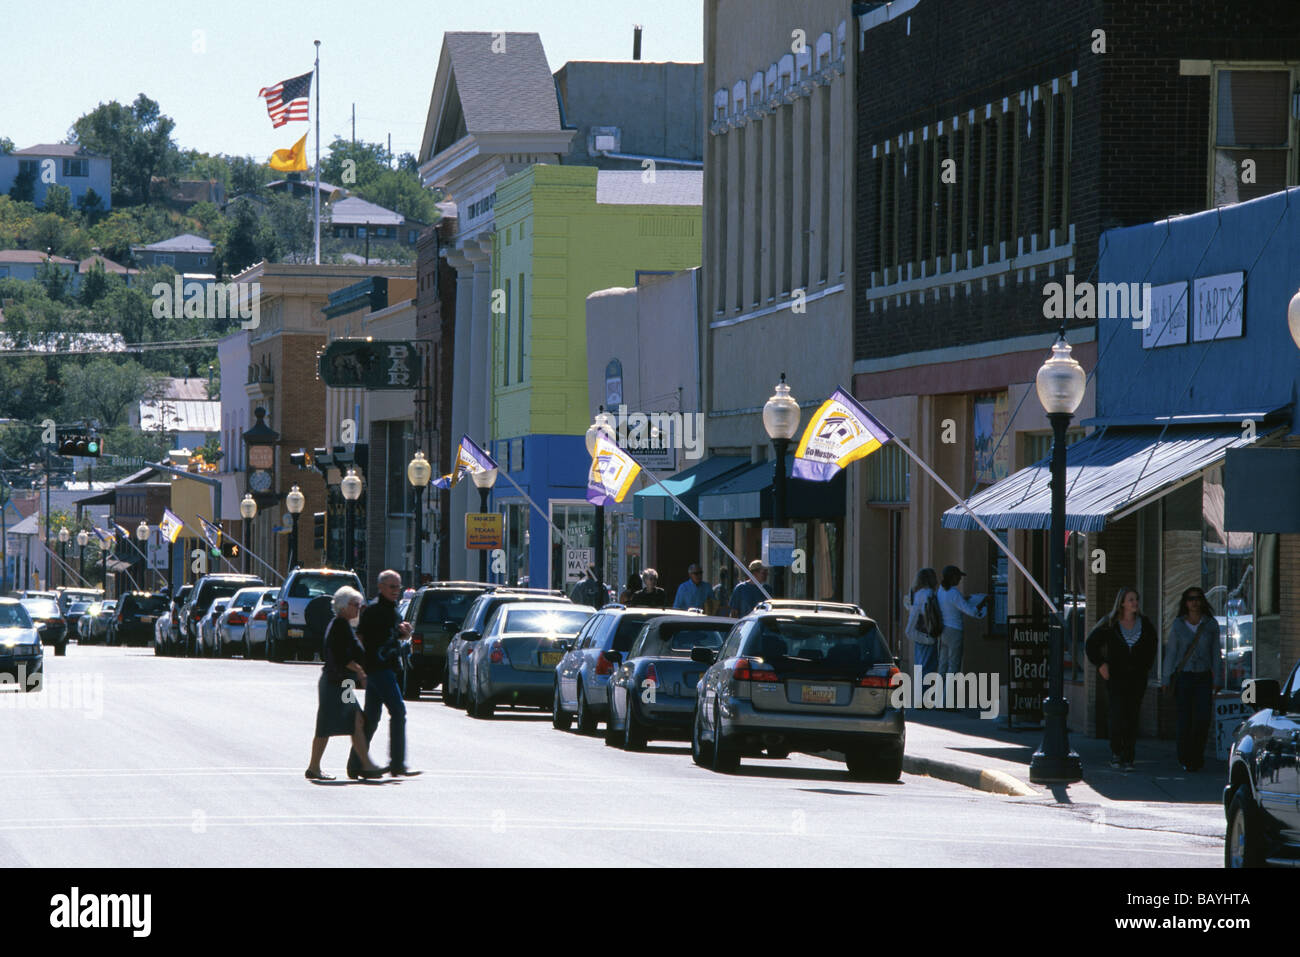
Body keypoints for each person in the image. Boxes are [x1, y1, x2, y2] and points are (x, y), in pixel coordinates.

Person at [306, 586, 386, 781]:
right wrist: (360, 672)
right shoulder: (338, 626)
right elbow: (339, 656)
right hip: (335, 683)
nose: (358, 608)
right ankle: (314, 767)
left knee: (356, 719)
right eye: (355, 604)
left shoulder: (345, 625)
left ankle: (366, 764)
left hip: (345, 683)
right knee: (326, 725)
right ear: (343, 606)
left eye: (360, 604)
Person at [347, 570, 421, 779]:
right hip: (377, 669)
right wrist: (361, 666)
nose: (396, 591)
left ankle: (356, 765)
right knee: (398, 711)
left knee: (371, 718)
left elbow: (392, 634)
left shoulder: (393, 611)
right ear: (381, 587)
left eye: (398, 587)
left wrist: (403, 633)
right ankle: (397, 764)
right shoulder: (372, 611)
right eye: (392, 587)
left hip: (387, 668)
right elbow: (360, 636)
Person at [1085, 586, 1158, 771]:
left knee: (1132, 717)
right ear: (1122, 603)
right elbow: (1091, 644)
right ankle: (1116, 753)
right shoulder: (1110, 624)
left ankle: (1128, 757)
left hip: (1137, 678)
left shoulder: (1145, 624)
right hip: (1116, 678)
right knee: (1117, 715)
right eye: (1131, 600)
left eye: (1136, 599)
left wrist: (1146, 667)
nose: (1135, 603)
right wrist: (1101, 664)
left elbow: (1152, 646)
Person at [1161, 587, 1222, 772]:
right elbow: (1171, 652)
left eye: (1197, 598)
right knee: (1185, 718)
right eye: (1190, 599)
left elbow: (1216, 654)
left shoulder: (1210, 624)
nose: (1194, 602)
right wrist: (1165, 678)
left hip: (1203, 677)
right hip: (1184, 677)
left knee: (1202, 719)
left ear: (1203, 601)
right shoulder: (1179, 625)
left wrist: (1217, 678)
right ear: (1185, 603)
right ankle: (1184, 757)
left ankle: (1197, 757)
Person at [936, 565, 988, 706]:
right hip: (955, 631)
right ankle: (948, 703)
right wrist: (983, 602)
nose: (959, 579)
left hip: (944, 631)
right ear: (952, 577)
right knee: (954, 666)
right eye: (958, 576)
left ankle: (938, 700)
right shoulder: (954, 592)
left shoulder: (941, 590)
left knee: (943, 666)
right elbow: (970, 611)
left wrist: (963, 599)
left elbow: (952, 603)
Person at [903, 567, 941, 684]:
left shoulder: (915, 594)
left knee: (920, 667)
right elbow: (929, 614)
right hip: (927, 634)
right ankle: (925, 699)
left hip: (917, 634)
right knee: (928, 669)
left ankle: (920, 698)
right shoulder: (928, 594)